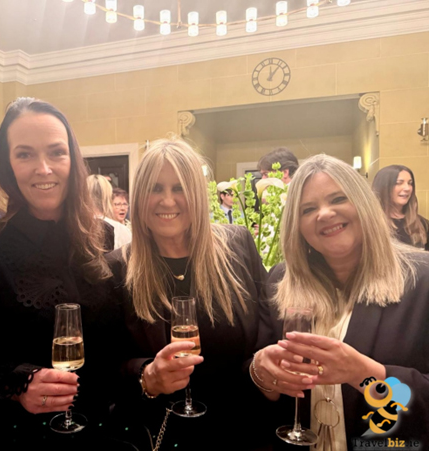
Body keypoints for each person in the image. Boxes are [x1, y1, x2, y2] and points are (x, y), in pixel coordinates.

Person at [0, 97, 130, 450]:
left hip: (99, 431)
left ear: (73, 160)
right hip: (13, 436)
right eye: (25, 154)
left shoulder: (104, 239)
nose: (43, 168)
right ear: (8, 165)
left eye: (56, 152)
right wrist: (19, 384)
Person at [252, 155, 429, 449]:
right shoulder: (280, 280)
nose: (324, 214)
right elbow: (259, 378)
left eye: (337, 199)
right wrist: (260, 371)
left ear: (363, 203)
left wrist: (367, 375)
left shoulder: (422, 279)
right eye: (308, 209)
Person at [106, 138, 271, 450]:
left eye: (179, 188)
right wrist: (146, 376)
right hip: (162, 433)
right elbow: (105, 365)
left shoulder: (238, 246)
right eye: (155, 188)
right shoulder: (116, 269)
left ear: (197, 193)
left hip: (240, 431)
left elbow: (267, 330)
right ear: (140, 197)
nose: (167, 201)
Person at [372, 165, 429, 250]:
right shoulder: (369, 223)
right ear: (384, 187)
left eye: (410, 183)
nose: (407, 188)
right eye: (399, 183)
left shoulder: (422, 224)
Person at [87, 174, 131, 250]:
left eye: (125, 204)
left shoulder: (75, 228)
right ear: (109, 197)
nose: (122, 208)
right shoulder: (122, 231)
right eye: (117, 204)